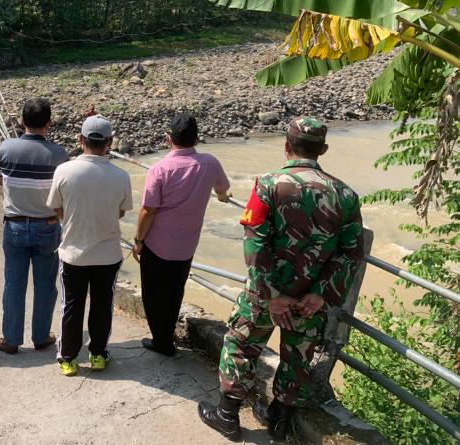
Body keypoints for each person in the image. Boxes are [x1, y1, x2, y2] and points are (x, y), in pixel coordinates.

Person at [198, 118, 365, 441]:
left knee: (241, 345)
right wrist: (321, 294)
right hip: (309, 301)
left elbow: (255, 243)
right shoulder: (346, 195)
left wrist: (272, 294)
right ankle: (279, 420)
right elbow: (351, 253)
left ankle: (227, 415)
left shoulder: (268, 184)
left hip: (264, 294)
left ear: (287, 146)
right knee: (298, 357)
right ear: (324, 150)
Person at [133, 113, 231, 357]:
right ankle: (167, 337)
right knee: (175, 291)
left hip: (157, 244)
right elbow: (223, 188)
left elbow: (148, 210)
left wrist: (138, 241)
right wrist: (220, 195)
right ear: (196, 139)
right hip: (187, 244)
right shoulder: (210, 163)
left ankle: (162, 341)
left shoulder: (159, 169)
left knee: (153, 294)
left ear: (168, 138)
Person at [46, 115, 133, 376]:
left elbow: (56, 207)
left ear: (81, 140)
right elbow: (120, 212)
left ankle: (69, 358)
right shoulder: (121, 175)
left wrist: (75, 219)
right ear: (109, 142)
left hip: (73, 253)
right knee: (102, 305)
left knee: (71, 306)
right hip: (107, 254)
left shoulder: (64, 171)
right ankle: (97, 353)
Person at [0, 98, 69, 354]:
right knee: (46, 284)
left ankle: (11, 339)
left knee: (13, 284)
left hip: (14, 226)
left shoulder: (5, 149)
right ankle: (41, 336)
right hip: (47, 226)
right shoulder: (59, 155)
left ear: (22, 121)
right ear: (48, 123)